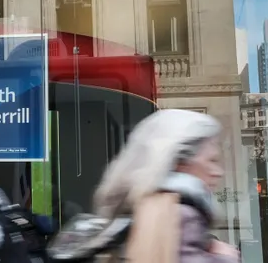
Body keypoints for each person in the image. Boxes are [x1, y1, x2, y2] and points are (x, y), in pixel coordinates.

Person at [69, 109, 239, 263]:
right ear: (181, 163)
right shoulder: (181, 212)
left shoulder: (141, 204)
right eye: (211, 161)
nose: (218, 172)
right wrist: (225, 258)